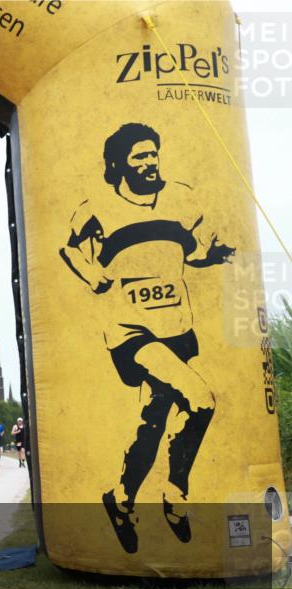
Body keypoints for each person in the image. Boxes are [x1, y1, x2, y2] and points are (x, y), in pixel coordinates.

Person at [60, 123, 232, 553]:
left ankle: (119, 500)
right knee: (201, 398)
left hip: (177, 326)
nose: (149, 162)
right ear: (118, 164)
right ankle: (175, 495)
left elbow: (190, 253)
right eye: (139, 156)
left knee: (151, 424)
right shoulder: (97, 207)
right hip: (130, 331)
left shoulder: (181, 198)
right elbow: (70, 248)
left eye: (153, 153)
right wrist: (92, 274)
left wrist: (211, 256)